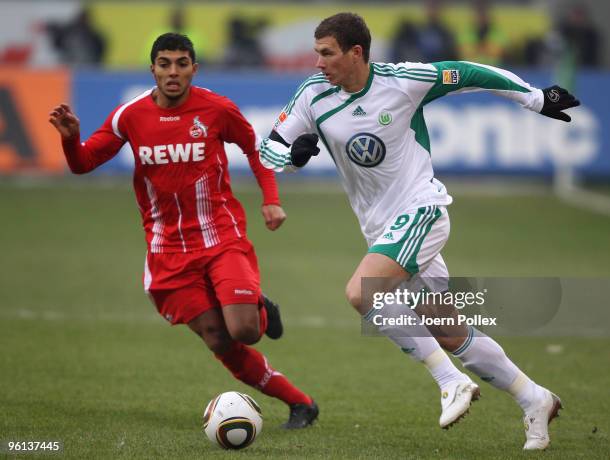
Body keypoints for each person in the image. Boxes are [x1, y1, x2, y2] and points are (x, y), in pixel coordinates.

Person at [259, 12, 579, 450]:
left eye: (327, 53)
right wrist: (294, 156)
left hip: (422, 210)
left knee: (362, 292)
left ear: (356, 53)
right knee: (447, 329)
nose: (318, 63)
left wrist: (536, 99)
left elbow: (469, 73)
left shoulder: (404, 81)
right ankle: (534, 397)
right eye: (317, 53)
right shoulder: (313, 95)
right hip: (381, 230)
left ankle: (450, 381)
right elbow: (270, 150)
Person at [48, 33, 318, 429]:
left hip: (220, 237)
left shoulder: (216, 109)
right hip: (168, 251)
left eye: (181, 63)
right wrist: (71, 138)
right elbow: (84, 163)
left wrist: (270, 199)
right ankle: (301, 404)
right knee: (218, 338)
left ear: (194, 67)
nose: (173, 72)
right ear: (153, 68)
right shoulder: (130, 116)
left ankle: (258, 307)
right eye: (164, 63)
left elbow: (254, 149)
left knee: (245, 331)